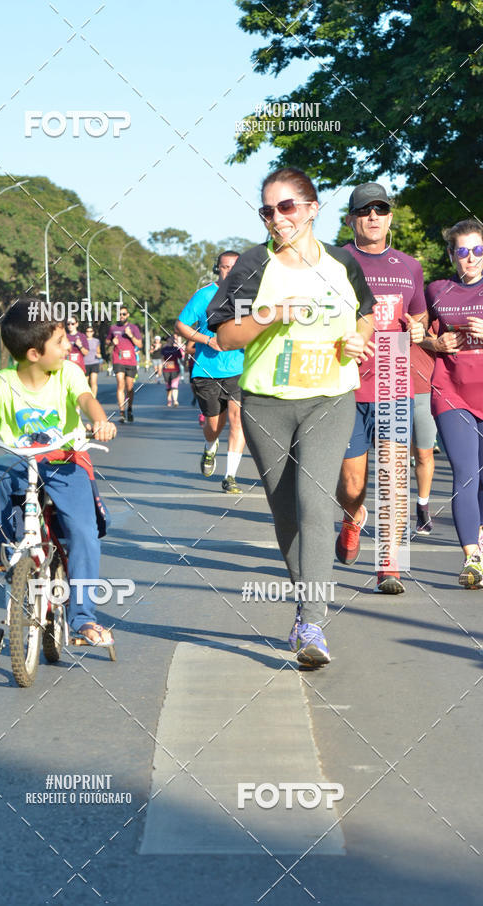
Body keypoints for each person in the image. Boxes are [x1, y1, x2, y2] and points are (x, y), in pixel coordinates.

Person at [207, 167, 375, 667]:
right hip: (267, 403)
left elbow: (365, 313)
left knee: (315, 502)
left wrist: (359, 339)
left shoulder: (343, 262)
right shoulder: (255, 264)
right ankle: (306, 607)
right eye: (268, 210)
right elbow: (225, 336)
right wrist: (272, 313)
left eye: (287, 207)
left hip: (330, 397)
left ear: (312, 208)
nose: (277, 218)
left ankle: (313, 621)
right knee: (287, 515)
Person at [0, 298, 117, 647]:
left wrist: (100, 420)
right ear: (34, 354)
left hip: (65, 463)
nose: (69, 346)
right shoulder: (2, 382)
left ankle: (83, 618)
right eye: (60, 341)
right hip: (21, 462)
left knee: (83, 532)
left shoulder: (68, 372)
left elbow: (85, 399)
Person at [335, 183, 426, 594]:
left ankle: (390, 565)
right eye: (364, 210)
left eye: (380, 209)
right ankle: (353, 517)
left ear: (390, 218)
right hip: (346, 384)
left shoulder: (410, 266)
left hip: (393, 380)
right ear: (351, 219)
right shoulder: (334, 261)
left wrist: (420, 330)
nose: (373, 216)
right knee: (353, 485)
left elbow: (419, 317)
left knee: (393, 475)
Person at [423, 219, 483, 587]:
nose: (471, 258)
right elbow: (411, 333)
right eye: (463, 251)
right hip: (451, 392)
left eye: (478, 250)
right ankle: (472, 558)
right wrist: (434, 343)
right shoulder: (436, 291)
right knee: (466, 473)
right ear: (451, 255)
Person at [175, 250, 247, 494]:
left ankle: (230, 476)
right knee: (214, 425)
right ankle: (210, 445)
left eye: (234, 267)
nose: (229, 272)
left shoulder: (248, 296)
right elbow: (181, 325)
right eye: (225, 267)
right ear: (218, 269)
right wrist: (207, 340)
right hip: (206, 370)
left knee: (238, 421)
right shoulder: (204, 295)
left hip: (238, 369)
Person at [410, 328, 437, 534]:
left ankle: (423, 507)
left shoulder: (432, 311)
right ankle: (394, 512)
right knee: (392, 456)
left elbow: (441, 340)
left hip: (424, 387)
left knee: (423, 452)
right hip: (387, 386)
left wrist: (426, 338)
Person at [106, 305, 143, 423]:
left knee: (129, 387)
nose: (121, 316)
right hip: (118, 360)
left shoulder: (133, 328)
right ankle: (121, 412)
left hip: (131, 361)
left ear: (127, 315)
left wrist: (131, 335)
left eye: (123, 314)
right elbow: (107, 341)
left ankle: (129, 409)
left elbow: (140, 345)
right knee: (120, 384)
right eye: (119, 314)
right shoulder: (113, 328)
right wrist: (112, 342)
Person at [161, 334, 183, 406]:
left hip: (175, 369)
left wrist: (185, 365)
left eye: (174, 338)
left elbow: (180, 358)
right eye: (172, 338)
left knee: (174, 385)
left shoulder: (176, 349)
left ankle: (175, 401)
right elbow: (161, 359)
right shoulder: (164, 349)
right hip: (166, 370)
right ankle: (169, 400)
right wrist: (161, 366)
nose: (173, 339)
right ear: (168, 339)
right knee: (168, 386)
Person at [82, 324, 103, 397]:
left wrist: (99, 355)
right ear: (85, 332)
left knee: (93, 382)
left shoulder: (96, 341)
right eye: (87, 331)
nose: (89, 333)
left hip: (94, 362)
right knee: (86, 383)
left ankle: (93, 398)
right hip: (85, 363)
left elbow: (98, 351)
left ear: (93, 332)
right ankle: (87, 397)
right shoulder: (83, 341)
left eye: (90, 331)